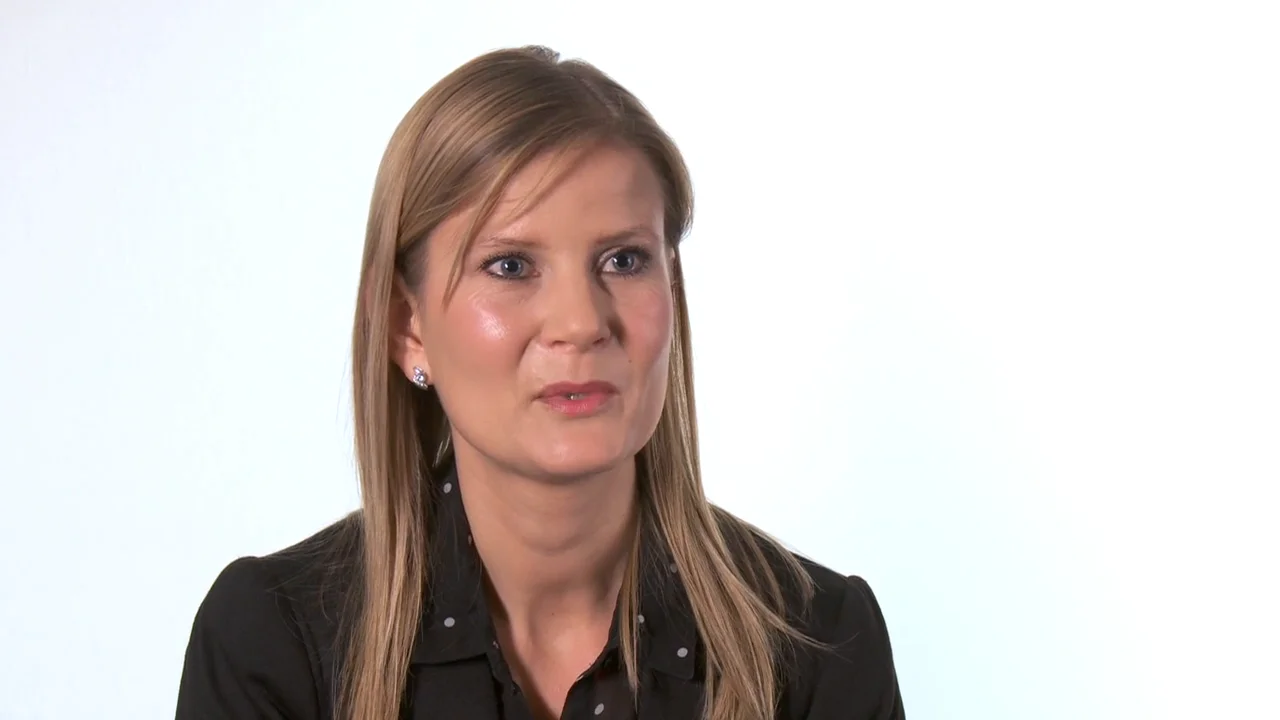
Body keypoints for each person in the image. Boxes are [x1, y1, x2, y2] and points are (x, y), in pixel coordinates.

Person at [175, 45, 905, 720]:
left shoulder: (819, 644)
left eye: (623, 260)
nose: (581, 323)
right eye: (511, 266)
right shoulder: (275, 645)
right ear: (406, 327)